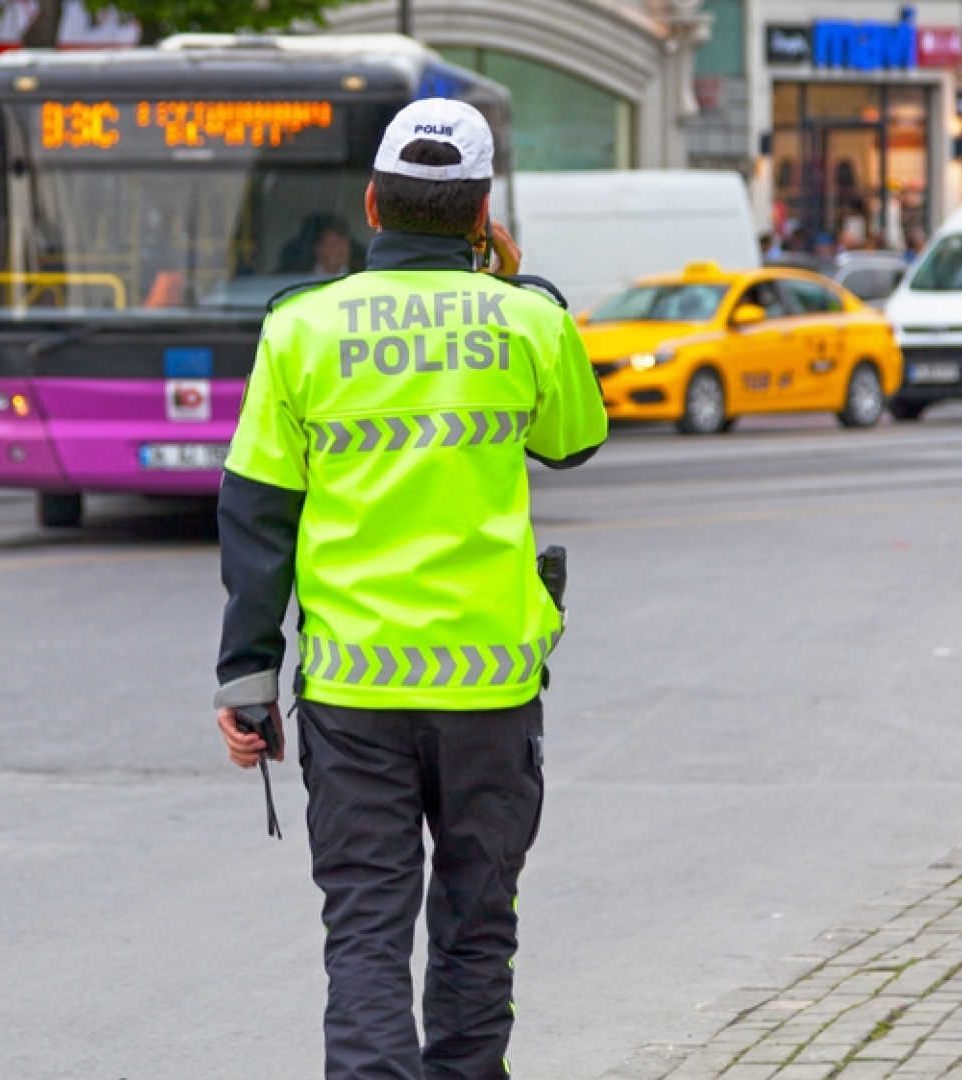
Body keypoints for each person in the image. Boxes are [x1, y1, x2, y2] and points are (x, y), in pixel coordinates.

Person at [212, 98, 608, 1080]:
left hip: (353, 698)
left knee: (365, 938)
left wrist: (245, 681)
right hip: (489, 691)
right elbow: (574, 440)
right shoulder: (530, 319)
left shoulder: (301, 329)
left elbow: (257, 512)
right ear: (483, 217)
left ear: (372, 201)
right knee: (478, 932)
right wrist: (508, 284)